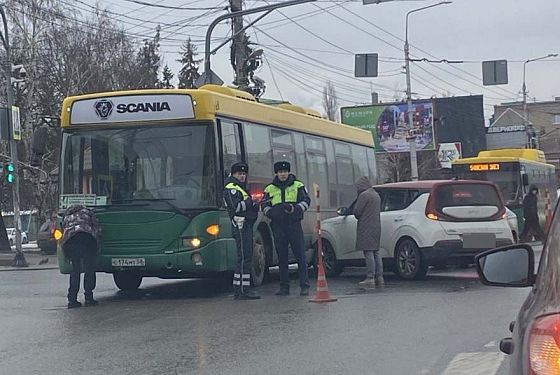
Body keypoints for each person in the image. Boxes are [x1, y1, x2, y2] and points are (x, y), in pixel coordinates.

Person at [263, 161, 311, 296]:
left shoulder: (298, 185)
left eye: (285, 171)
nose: (282, 174)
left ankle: (304, 285)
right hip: (278, 225)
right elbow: (264, 205)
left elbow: (306, 201)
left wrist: (295, 209)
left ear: (288, 172)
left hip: (294, 224)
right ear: (276, 173)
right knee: (281, 257)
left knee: (300, 256)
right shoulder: (269, 188)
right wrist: (272, 213)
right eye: (280, 172)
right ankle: (284, 287)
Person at [223, 162, 261, 300]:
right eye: (239, 174)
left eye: (244, 174)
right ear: (233, 174)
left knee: (244, 257)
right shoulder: (232, 188)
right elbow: (236, 207)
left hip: (244, 226)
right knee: (245, 258)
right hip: (241, 226)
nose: (242, 176)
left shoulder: (239, 188)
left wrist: (254, 206)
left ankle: (240, 288)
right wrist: (251, 202)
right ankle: (244, 290)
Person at [61, 205, 101, 309]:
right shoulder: (88, 212)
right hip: (86, 239)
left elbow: (63, 231)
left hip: (71, 241)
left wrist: (65, 252)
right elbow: (97, 228)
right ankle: (88, 297)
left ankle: (72, 299)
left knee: (75, 270)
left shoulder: (67, 215)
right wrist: (97, 245)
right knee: (89, 269)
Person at [353, 176, 383, 289]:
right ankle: (379, 277)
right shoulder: (376, 195)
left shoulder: (364, 195)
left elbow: (357, 212)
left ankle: (370, 278)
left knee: (368, 252)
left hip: (366, 226)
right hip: (376, 226)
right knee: (376, 252)